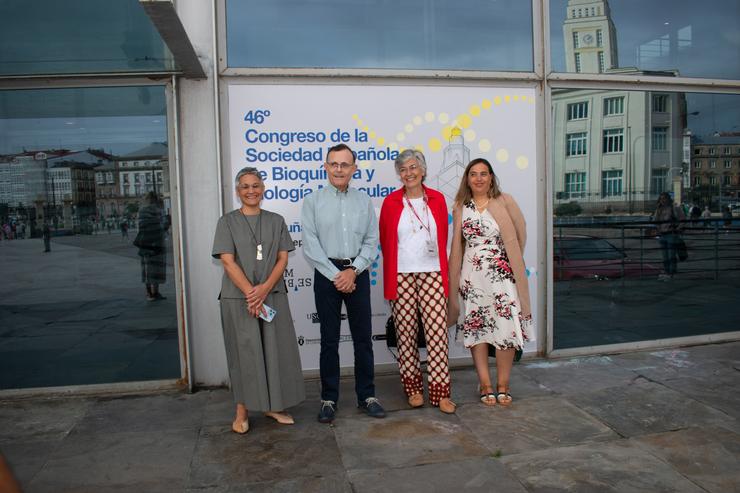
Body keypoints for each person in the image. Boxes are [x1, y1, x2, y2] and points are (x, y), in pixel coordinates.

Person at [212, 167, 305, 434]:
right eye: (245, 186)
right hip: (237, 299)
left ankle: (272, 405)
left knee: (275, 351)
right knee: (244, 355)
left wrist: (264, 289)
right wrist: (251, 293)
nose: (251, 190)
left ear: (263, 189)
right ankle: (242, 410)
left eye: (255, 185)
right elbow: (227, 261)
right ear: (237, 191)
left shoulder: (276, 220)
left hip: (272, 295)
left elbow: (283, 258)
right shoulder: (226, 222)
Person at [302, 143, 385, 423]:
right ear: (326, 167)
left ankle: (367, 396)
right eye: (334, 164)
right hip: (327, 274)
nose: (339, 169)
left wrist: (353, 270)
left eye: (344, 164)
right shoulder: (312, 202)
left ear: (354, 168)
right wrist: (336, 274)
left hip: (357, 273)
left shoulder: (364, 201)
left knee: (363, 339)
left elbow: (372, 242)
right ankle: (329, 399)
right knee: (329, 340)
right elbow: (310, 246)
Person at [448, 158, 535, 406]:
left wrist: (508, 259)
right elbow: (457, 244)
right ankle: (485, 383)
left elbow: (521, 233)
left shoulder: (505, 201)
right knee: (478, 328)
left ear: (491, 177)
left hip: (502, 277)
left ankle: (503, 383)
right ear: (467, 178)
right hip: (472, 278)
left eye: (483, 174)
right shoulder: (459, 206)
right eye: (473, 174)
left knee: (505, 328)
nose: (478, 178)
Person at [378, 150, 456, 413]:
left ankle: (440, 392)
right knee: (406, 333)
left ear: (422, 170)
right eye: (403, 169)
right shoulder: (390, 203)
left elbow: (443, 237)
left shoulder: (437, 199)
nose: (408, 173)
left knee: (436, 333)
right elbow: (385, 242)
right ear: (399, 174)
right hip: (401, 275)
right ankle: (412, 389)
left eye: (413, 167)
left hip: (432, 272)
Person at [136, 192, 167, 301]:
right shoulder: (158, 211)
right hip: (157, 244)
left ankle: (149, 293)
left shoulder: (141, 212)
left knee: (146, 269)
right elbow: (163, 225)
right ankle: (156, 292)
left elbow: (139, 227)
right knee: (156, 269)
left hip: (144, 244)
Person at [653, 192, 685, 281]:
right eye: (661, 198)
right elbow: (655, 221)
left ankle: (672, 273)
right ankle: (667, 272)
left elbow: (682, 219)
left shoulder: (675, 208)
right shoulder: (659, 209)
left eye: (664, 198)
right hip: (662, 234)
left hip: (671, 234)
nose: (662, 200)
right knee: (665, 256)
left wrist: (678, 228)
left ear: (668, 199)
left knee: (671, 255)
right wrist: (657, 229)